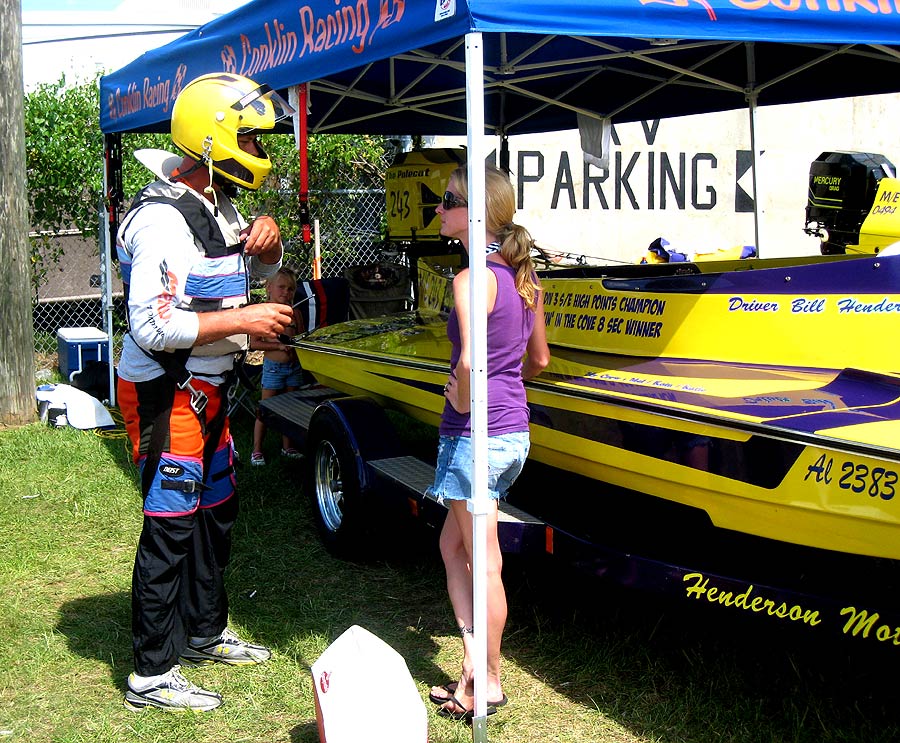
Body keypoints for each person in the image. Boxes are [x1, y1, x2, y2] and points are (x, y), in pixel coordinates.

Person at [115, 72, 295, 712]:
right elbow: (153, 324)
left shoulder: (218, 203)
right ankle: (151, 672)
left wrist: (266, 248)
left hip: (212, 386)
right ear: (213, 140)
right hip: (169, 390)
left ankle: (202, 630)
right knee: (170, 521)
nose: (259, 148)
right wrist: (243, 321)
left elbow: (240, 271)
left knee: (215, 510)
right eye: (249, 136)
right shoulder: (160, 221)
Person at [427, 165, 550, 720]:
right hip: (514, 431)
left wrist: (455, 400)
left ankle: (487, 682)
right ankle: (474, 662)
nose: (438, 209)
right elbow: (540, 360)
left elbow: (469, 363)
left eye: (447, 200)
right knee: (455, 548)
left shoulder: (471, 277)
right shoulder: (524, 279)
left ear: (475, 211)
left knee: (484, 561)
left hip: (475, 435)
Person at [250, 267, 306, 465]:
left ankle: (287, 446)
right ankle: (257, 450)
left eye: (290, 289)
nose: (286, 292)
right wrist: (278, 346)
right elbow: (253, 343)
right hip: (273, 367)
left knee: (291, 407)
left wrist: (296, 348)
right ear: (269, 288)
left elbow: (300, 337)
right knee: (265, 408)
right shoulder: (263, 313)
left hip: (294, 367)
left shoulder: (295, 313)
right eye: (281, 287)